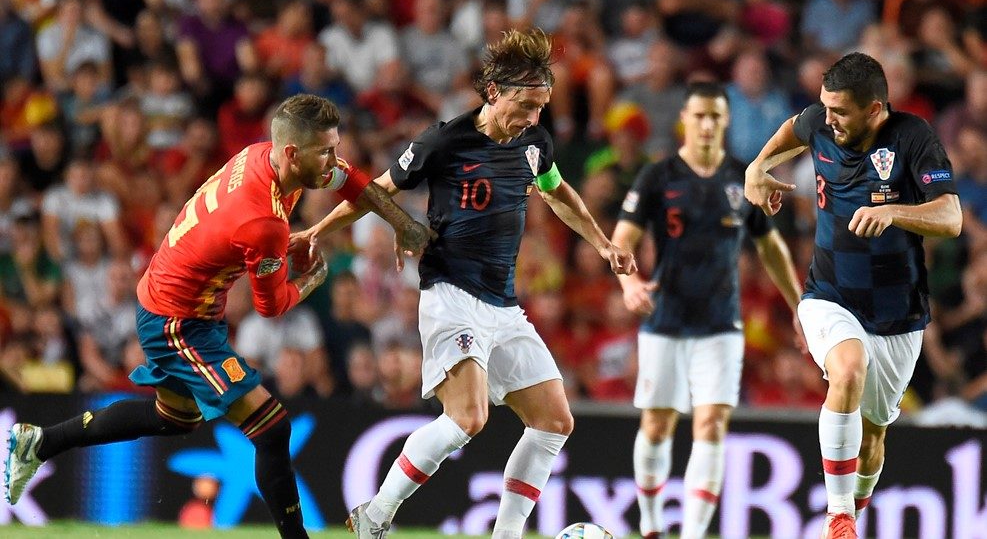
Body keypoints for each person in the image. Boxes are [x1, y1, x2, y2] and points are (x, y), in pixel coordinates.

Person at [4, 94, 432, 539]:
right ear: (292, 153)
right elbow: (271, 307)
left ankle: (40, 442)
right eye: (326, 151)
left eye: (335, 147)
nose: (334, 160)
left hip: (183, 305)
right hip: (176, 320)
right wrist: (313, 278)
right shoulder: (264, 222)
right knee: (271, 427)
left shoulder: (262, 156)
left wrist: (402, 223)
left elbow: (352, 180)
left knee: (174, 418)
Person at [293, 28, 637, 539]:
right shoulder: (444, 141)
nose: (534, 118)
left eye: (542, 108)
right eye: (526, 105)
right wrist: (318, 230)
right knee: (468, 419)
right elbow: (376, 191)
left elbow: (556, 191)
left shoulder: (534, 144)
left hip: (503, 304)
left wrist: (603, 243)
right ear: (494, 92)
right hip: (451, 293)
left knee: (554, 422)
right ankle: (375, 515)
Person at [744, 52, 962, 539]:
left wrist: (895, 212)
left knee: (873, 437)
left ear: (875, 109)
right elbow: (791, 130)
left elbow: (951, 217)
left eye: (840, 111)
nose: (828, 119)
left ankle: (850, 522)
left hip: (898, 313)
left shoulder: (913, 138)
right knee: (846, 369)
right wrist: (757, 167)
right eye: (825, 107)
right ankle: (838, 515)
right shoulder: (820, 122)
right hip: (829, 294)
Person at [611, 82, 804, 539]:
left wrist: (798, 305)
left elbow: (770, 245)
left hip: (721, 321)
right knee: (656, 425)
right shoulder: (658, 176)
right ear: (685, 118)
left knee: (712, 424)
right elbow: (622, 238)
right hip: (665, 319)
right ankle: (651, 525)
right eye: (699, 115)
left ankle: (694, 534)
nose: (706, 124)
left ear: (726, 120)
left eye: (715, 116)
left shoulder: (742, 177)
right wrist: (629, 283)